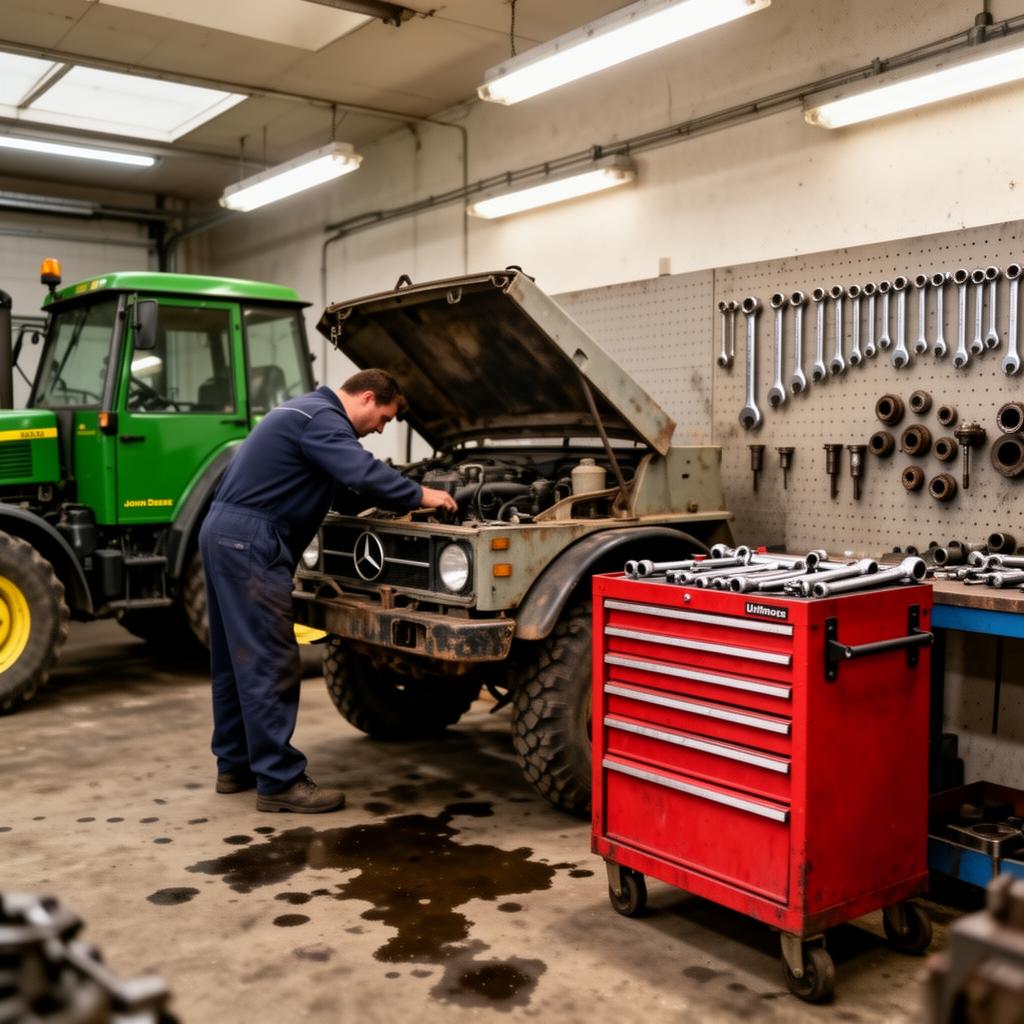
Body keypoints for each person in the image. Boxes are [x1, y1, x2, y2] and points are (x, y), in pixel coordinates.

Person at [199, 368, 457, 813]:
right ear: (368, 397)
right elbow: (362, 473)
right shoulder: (323, 419)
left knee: (234, 659)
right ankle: (279, 781)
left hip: (224, 533)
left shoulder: (303, 413)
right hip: (252, 541)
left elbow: (344, 492)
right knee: (268, 661)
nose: (380, 430)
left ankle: (235, 766)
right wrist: (421, 495)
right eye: (384, 419)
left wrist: (390, 498)